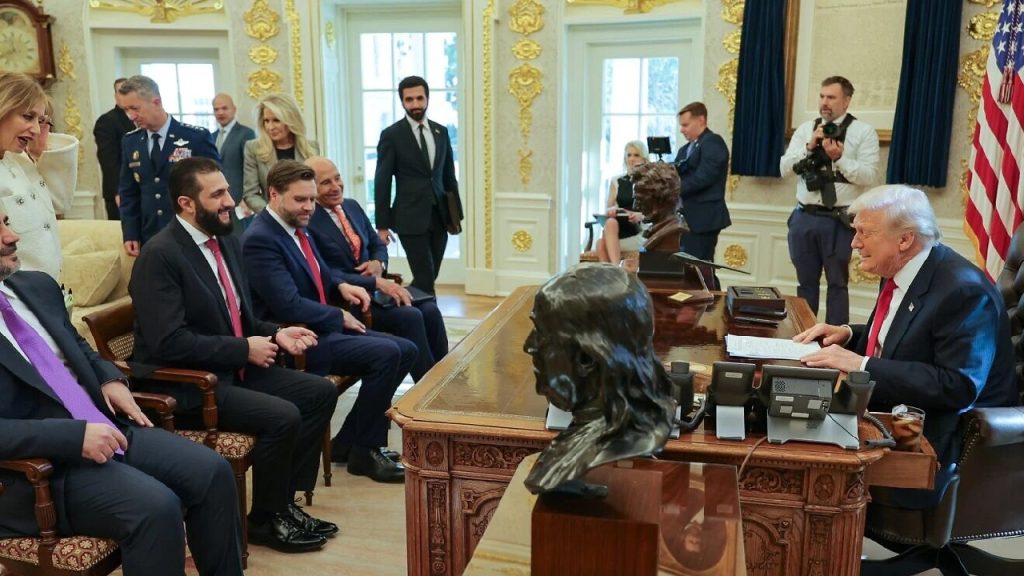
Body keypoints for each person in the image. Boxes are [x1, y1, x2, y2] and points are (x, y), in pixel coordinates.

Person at [0, 206, 245, 576]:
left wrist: (108, 378)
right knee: (156, 508)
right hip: (42, 472)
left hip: (108, 426)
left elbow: (78, 349)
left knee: (212, 471)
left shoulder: (35, 286)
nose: (12, 236)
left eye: (5, 222)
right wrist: (73, 435)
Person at [129, 156, 339, 553]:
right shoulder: (161, 256)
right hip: (189, 384)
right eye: (218, 194)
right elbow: (168, 343)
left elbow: (239, 317)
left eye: (227, 190)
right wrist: (244, 349)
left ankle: (280, 505)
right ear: (187, 203)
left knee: (319, 393)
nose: (230, 201)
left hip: (228, 367)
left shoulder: (225, 238)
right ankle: (263, 519)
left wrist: (277, 332)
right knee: (283, 416)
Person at [795, 185, 1019, 509]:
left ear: (904, 239)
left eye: (864, 233)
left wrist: (860, 364)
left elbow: (957, 386)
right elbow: (906, 339)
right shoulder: (901, 267)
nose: (854, 243)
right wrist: (848, 334)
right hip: (896, 412)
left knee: (806, 461)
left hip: (938, 440)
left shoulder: (963, 291)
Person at [243, 160, 414, 483]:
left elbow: (320, 272)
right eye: (301, 200)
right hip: (298, 339)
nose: (309, 207)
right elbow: (288, 305)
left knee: (406, 349)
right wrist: (338, 314)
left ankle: (350, 442)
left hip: (319, 325)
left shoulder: (295, 226)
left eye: (311, 199)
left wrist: (341, 285)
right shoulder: (261, 239)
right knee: (389, 353)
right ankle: (365, 448)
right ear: (274, 194)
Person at [305, 156, 448, 383]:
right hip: (350, 302)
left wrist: (378, 263)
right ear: (311, 187)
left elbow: (377, 244)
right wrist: (374, 282)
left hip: (379, 295)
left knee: (429, 309)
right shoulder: (309, 220)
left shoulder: (351, 206)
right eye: (326, 183)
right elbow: (325, 272)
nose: (336, 186)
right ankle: (428, 389)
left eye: (338, 178)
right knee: (411, 316)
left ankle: (446, 379)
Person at [781, 76, 880, 325]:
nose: (825, 102)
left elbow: (869, 176)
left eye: (832, 97)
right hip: (804, 217)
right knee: (805, 284)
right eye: (822, 96)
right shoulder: (806, 129)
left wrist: (840, 159)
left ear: (846, 101)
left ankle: (835, 343)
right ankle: (804, 333)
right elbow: (784, 169)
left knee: (838, 284)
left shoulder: (863, 132)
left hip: (838, 219)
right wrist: (808, 146)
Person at [374, 75, 462, 295]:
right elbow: (382, 181)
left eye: (419, 98)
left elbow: (449, 177)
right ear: (402, 101)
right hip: (409, 217)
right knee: (424, 275)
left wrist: (456, 217)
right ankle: (429, 323)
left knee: (431, 274)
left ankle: (411, 308)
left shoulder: (441, 132)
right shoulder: (392, 135)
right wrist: (382, 225)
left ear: (427, 99)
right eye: (409, 99)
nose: (415, 104)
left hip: (440, 216)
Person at [118, 75, 221, 256]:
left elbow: (216, 187)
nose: (131, 116)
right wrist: (130, 233)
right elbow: (129, 192)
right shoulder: (131, 142)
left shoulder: (195, 138)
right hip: (150, 235)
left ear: (156, 102)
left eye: (135, 108)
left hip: (193, 232)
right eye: (126, 110)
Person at [0, 71, 77, 281]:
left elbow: (61, 202)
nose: (35, 129)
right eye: (28, 116)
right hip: (14, 299)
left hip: (46, 292)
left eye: (41, 120)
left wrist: (41, 150)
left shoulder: (19, 159)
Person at [242, 93, 319, 218]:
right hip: (272, 219)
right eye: (266, 121)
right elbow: (251, 194)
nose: (270, 127)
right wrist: (273, 214)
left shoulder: (311, 148)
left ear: (291, 120)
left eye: (276, 120)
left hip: (308, 217)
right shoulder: (253, 148)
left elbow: (317, 187)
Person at [673, 102, 731, 261]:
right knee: (687, 270)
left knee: (700, 270)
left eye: (685, 125)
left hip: (703, 219)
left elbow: (704, 177)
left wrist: (673, 189)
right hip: (684, 220)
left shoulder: (713, 142)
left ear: (700, 120)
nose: (681, 129)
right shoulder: (684, 149)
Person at [212, 93, 257, 234]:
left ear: (234, 109)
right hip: (217, 202)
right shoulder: (211, 136)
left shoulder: (246, 134)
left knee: (240, 243)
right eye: (216, 109)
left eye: (224, 108)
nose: (220, 112)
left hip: (239, 202)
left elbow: (250, 170)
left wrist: (247, 199)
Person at [597, 140, 647, 264]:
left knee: (601, 244)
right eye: (629, 155)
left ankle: (613, 274)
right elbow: (608, 208)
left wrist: (640, 216)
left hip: (638, 229)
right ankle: (615, 272)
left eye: (636, 155)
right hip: (619, 226)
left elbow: (656, 212)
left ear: (644, 159)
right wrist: (612, 210)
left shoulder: (649, 181)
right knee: (611, 223)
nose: (632, 159)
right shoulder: (617, 181)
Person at [93, 77, 135, 220]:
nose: (124, 94)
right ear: (115, 96)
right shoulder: (107, 121)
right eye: (120, 91)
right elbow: (108, 161)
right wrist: (120, 191)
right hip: (120, 193)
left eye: (128, 90)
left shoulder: (141, 117)